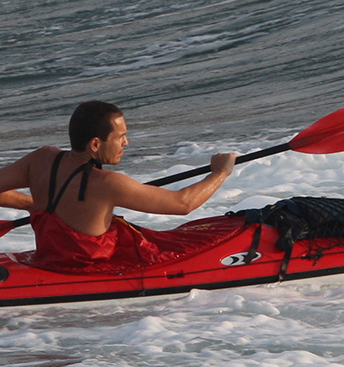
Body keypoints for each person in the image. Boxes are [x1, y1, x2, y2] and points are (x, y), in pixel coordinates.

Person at [0, 101, 237, 270]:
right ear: (95, 143)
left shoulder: (41, 159)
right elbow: (183, 203)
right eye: (120, 136)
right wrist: (221, 172)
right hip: (88, 270)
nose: (126, 142)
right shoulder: (107, 183)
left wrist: (33, 205)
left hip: (46, 261)